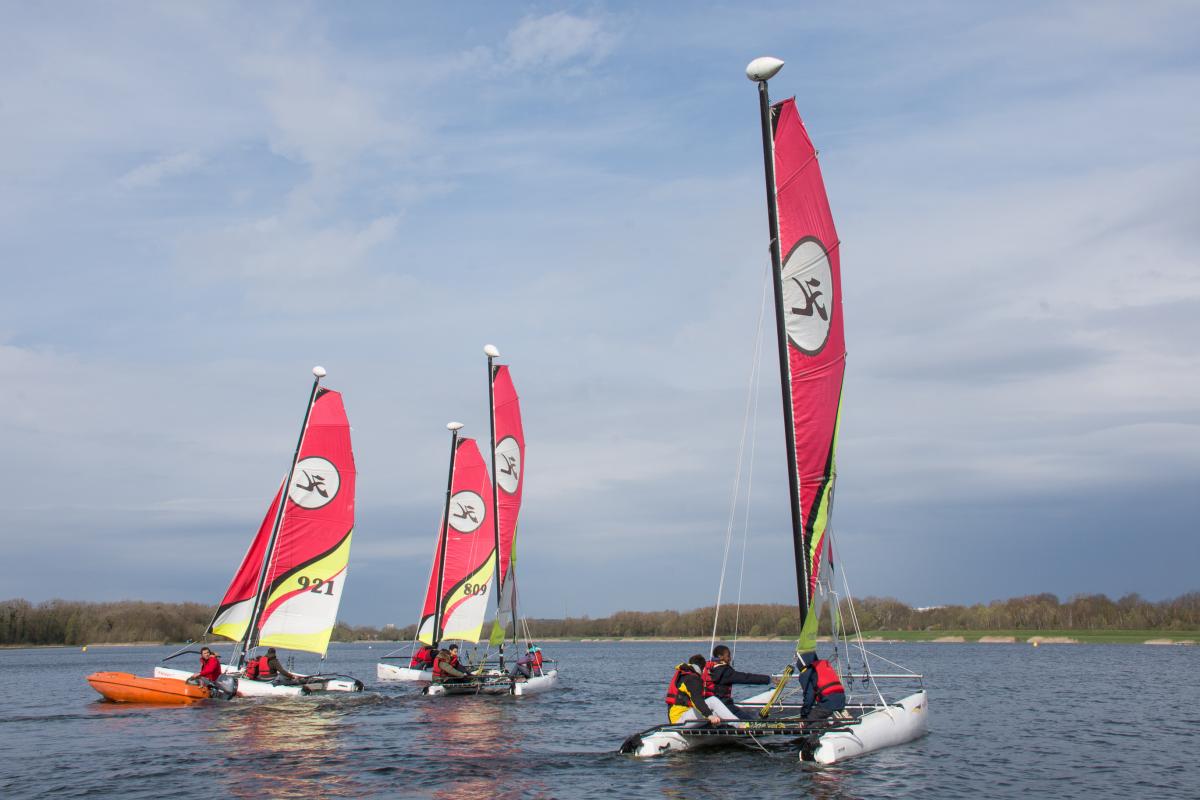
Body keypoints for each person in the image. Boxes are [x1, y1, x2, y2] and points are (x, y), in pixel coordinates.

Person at [702, 644, 772, 720]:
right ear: (720, 657)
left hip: (709, 706)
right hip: (725, 706)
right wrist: (768, 679)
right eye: (728, 656)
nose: (730, 658)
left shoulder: (708, 669)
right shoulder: (725, 672)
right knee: (750, 720)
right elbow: (746, 678)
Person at [665, 655, 723, 725]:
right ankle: (735, 724)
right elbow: (697, 700)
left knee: (714, 710)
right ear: (702, 668)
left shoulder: (685, 675)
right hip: (679, 720)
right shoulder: (692, 678)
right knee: (713, 701)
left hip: (681, 716)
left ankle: (722, 724)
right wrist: (710, 716)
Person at [796, 650, 846, 721]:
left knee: (809, 721)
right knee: (820, 712)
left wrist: (804, 715)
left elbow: (809, 697)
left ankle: (832, 719)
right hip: (842, 700)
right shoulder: (824, 666)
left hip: (828, 703)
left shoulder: (806, 673)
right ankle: (837, 715)